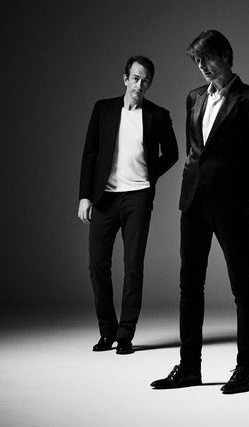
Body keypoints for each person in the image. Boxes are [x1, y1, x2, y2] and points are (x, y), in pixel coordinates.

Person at [151, 30, 249, 394]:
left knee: (242, 287)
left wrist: (243, 201)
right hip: (193, 202)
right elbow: (195, 151)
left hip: (231, 205)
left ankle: (245, 370)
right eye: (196, 61)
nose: (201, 66)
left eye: (206, 58)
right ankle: (190, 368)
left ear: (226, 56)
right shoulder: (194, 96)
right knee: (189, 286)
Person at [78, 55, 178, 355]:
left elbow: (172, 153)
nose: (139, 84)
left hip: (138, 197)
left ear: (150, 83)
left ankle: (125, 334)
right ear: (125, 79)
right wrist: (84, 196)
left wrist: (149, 175)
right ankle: (107, 331)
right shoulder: (103, 109)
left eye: (145, 80)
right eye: (135, 78)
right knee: (97, 264)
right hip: (105, 198)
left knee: (133, 266)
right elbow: (90, 154)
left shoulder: (158, 115)